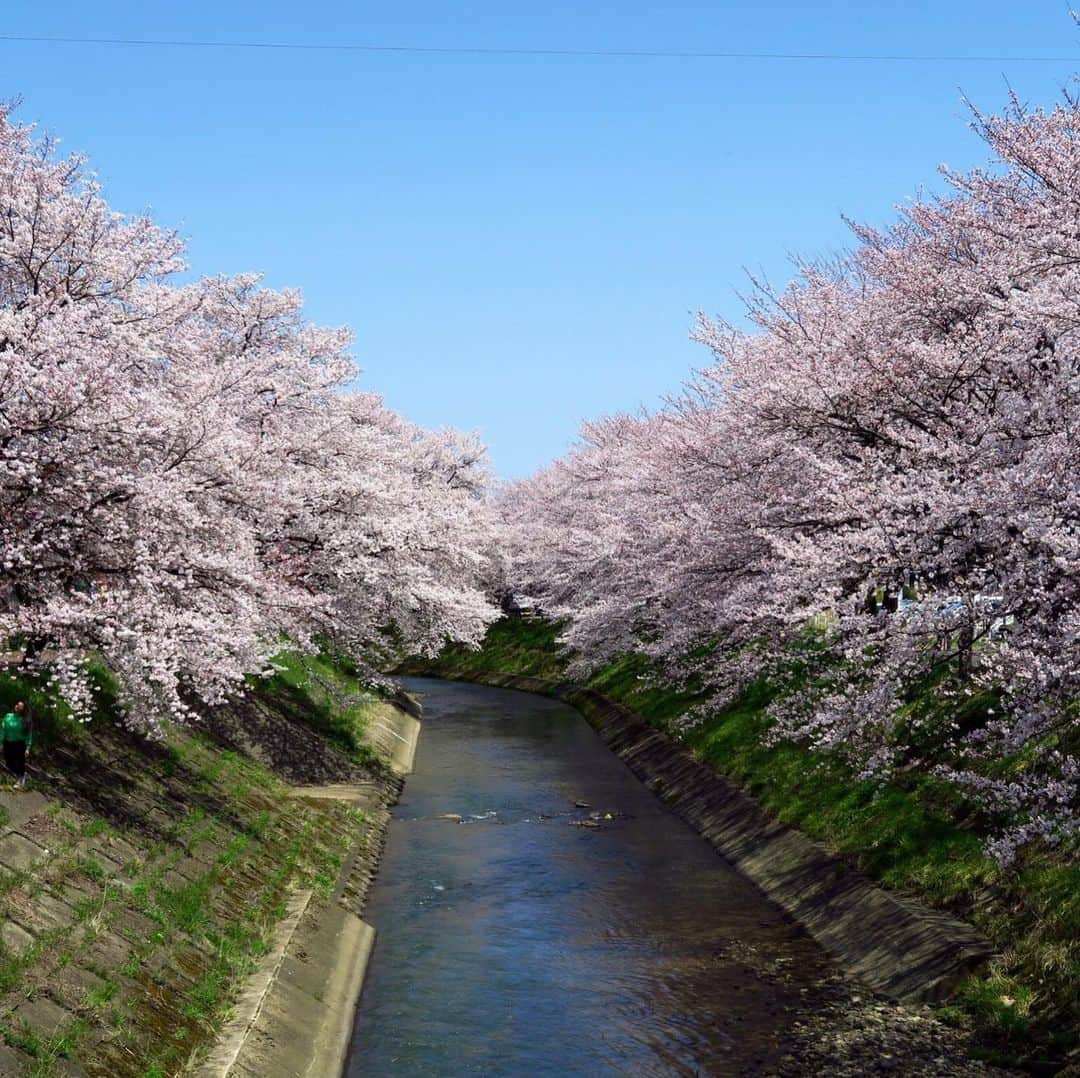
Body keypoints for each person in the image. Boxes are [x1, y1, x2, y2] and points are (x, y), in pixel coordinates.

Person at [2, 700, 32, 788]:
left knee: (19, 763)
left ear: (23, 709)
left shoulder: (25, 721)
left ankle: (20, 779)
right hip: (8, 742)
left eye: (20, 706)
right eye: (17, 705)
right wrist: (1, 741)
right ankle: (23, 774)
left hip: (19, 744)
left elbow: (28, 735)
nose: (17, 707)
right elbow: (3, 730)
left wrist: (28, 748)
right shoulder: (8, 716)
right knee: (9, 763)